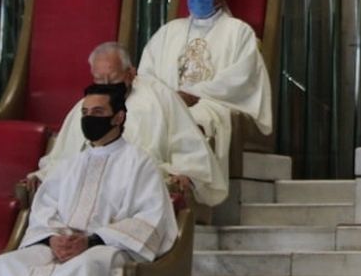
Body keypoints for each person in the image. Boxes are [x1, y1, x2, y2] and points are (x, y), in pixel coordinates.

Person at [0, 83, 179, 276]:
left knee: (85, 271)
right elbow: (44, 209)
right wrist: (53, 238)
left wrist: (91, 241)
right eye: (85, 113)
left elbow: (149, 218)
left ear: (118, 117)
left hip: (106, 247)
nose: (89, 118)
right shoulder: (70, 164)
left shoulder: (140, 163)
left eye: (98, 113)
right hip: (58, 246)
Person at [36, 42, 227, 208]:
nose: (107, 85)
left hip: (139, 187)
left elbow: (188, 147)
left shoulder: (160, 97)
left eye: (113, 79)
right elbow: (63, 158)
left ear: (131, 73)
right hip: (86, 186)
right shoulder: (85, 107)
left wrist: (187, 175)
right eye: (100, 80)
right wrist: (43, 176)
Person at [140, 0, 273, 164]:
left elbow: (240, 79)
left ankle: (185, 182)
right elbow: (146, 76)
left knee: (193, 120)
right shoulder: (168, 32)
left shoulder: (238, 32)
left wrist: (193, 94)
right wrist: (165, 98)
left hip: (211, 105)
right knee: (139, 117)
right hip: (166, 105)